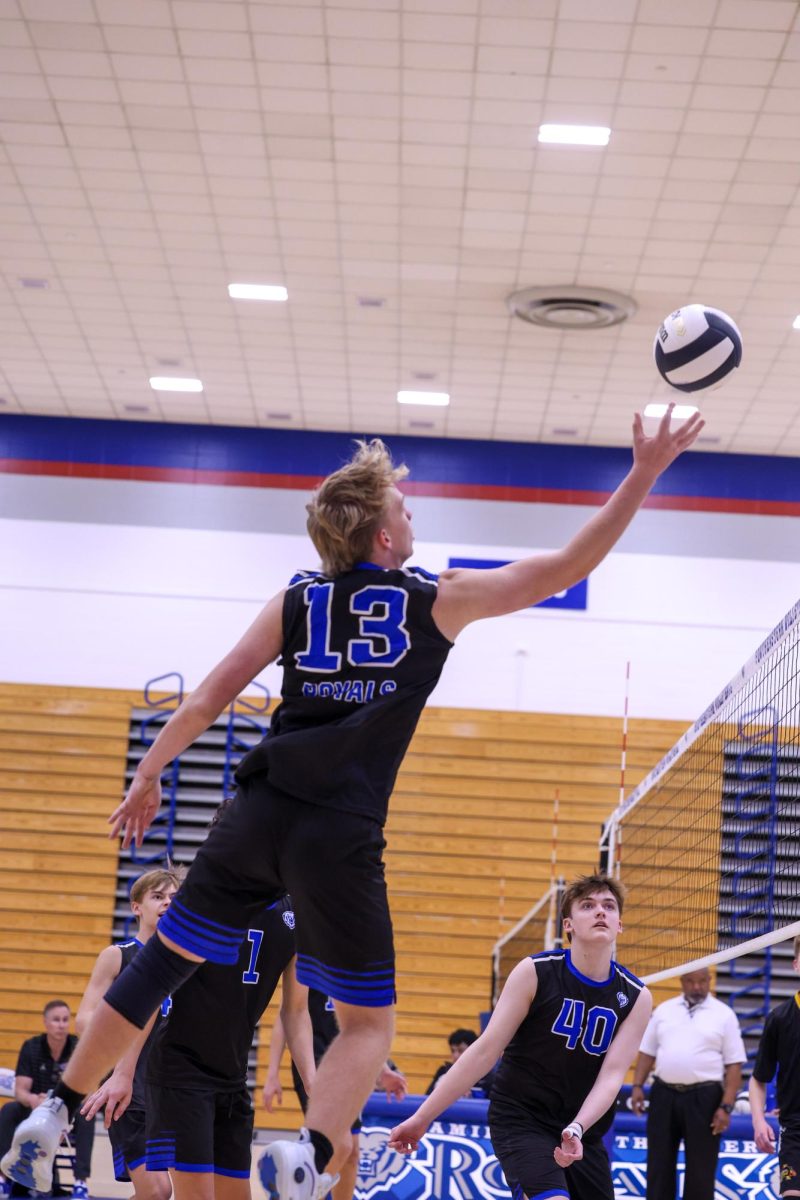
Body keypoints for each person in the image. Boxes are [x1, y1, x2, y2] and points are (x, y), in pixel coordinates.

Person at [1, 407, 703, 1200]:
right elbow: (568, 566)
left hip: (256, 813)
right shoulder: (438, 599)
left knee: (163, 962)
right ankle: (306, 1150)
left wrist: (148, 773)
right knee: (369, 1024)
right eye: (404, 508)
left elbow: (211, 695)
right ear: (383, 538)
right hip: (338, 833)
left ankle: (54, 1114)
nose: (414, 516)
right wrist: (643, 471)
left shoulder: (295, 600)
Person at [387, 874, 652, 1200]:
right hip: (523, 1117)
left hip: (583, 1131)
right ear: (567, 925)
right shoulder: (535, 972)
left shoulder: (637, 996)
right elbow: (484, 1051)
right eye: (588, 905)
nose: (600, 912)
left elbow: (611, 1077)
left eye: (608, 906)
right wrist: (421, 1118)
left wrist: (576, 1129)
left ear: (620, 925)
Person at [75, 868, 180, 1200]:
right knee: (158, 1190)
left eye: (174, 899)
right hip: (128, 1089)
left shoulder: (187, 962)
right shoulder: (117, 956)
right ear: (137, 907)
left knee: (167, 1193)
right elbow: (84, 1019)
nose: (167, 904)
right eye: (158, 897)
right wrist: (120, 1055)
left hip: (174, 1086)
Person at [264, 992, 407, 1200]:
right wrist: (272, 1073)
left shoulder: (356, 966)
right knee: (340, 1145)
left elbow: (361, 1025)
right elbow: (286, 1014)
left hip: (349, 1064)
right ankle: (301, 1192)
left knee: (352, 1153)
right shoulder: (308, 961)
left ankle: (305, 1190)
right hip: (313, 1064)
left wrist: (381, 1068)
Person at [630, 967, 745, 1200]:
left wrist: (725, 1107)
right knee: (658, 1165)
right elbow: (647, 1052)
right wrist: (637, 1086)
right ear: (681, 981)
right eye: (691, 981)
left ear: (709, 980)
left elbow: (734, 1066)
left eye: (702, 981)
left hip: (705, 1097)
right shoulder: (664, 1010)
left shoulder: (724, 1015)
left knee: (701, 1170)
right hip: (663, 1093)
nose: (696, 987)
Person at [0, 1000, 94, 1199]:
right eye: (56, 1020)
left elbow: (89, 1090)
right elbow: (21, 1091)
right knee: (9, 1109)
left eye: (65, 1020)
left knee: (88, 1116)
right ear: (45, 1022)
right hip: (36, 1111)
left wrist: (67, 1104)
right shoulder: (31, 1047)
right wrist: (35, 1100)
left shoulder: (77, 1047)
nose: (61, 1025)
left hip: (67, 1112)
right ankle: (3, 1178)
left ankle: (80, 1183)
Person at [750, 934, 800, 1198]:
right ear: (795, 965)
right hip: (794, 1131)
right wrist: (758, 1121)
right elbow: (759, 1079)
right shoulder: (779, 1019)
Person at [425, 1028, 494, 1097]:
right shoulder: (443, 1072)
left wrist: (471, 1097)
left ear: (474, 1051)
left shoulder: (487, 1077)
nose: (455, 1055)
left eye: (460, 1051)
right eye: (453, 1051)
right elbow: (427, 1097)